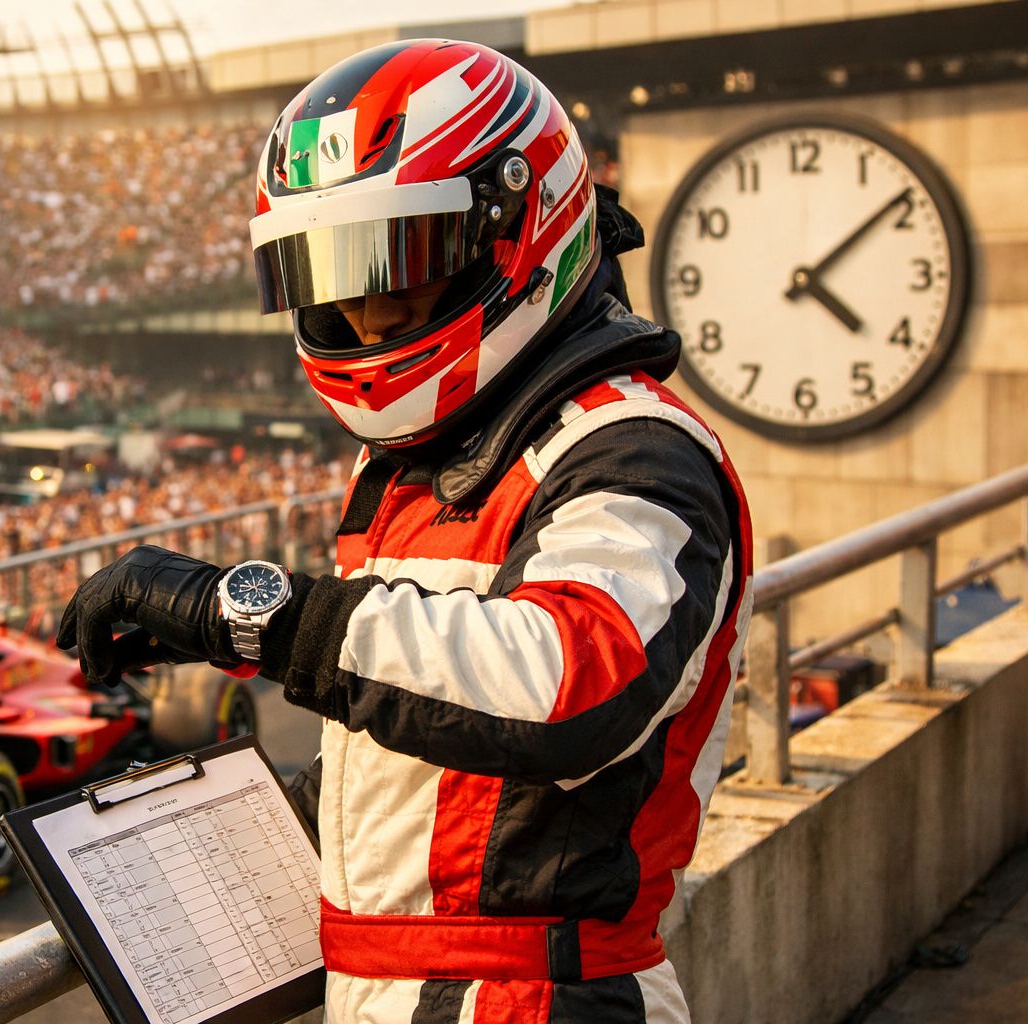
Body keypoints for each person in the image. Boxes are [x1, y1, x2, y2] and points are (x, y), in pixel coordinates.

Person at [57, 39, 751, 1023]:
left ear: (521, 227)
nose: (366, 310)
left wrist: (246, 612)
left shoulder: (635, 444)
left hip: (537, 994)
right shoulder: (427, 465)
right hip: (400, 985)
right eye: (331, 271)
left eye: (402, 260)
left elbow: (564, 688)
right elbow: (434, 731)